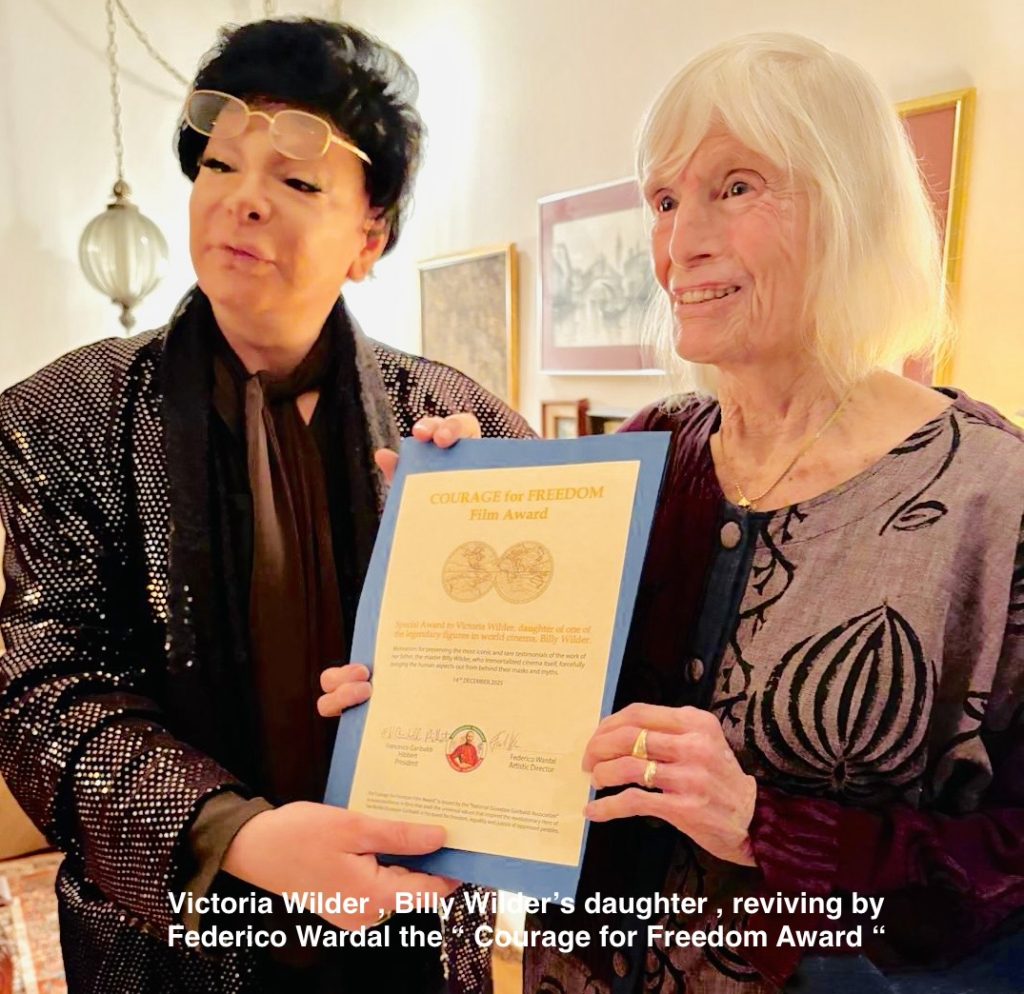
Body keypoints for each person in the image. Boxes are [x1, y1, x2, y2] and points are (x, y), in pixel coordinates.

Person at [0, 17, 532, 994]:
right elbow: (44, 695)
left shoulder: (464, 425)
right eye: (219, 166)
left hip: (408, 941)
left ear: (369, 235)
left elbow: (544, 688)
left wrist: (493, 546)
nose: (242, 202)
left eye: (295, 182)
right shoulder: (59, 419)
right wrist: (240, 835)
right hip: (168, 949)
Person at [512, 32, 1023, 994]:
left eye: (737, 187)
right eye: (665, 200)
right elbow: (552, 691)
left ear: (852, 206)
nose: (680, 243)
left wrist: (762, 823)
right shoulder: (654, 446)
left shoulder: (993, 497)